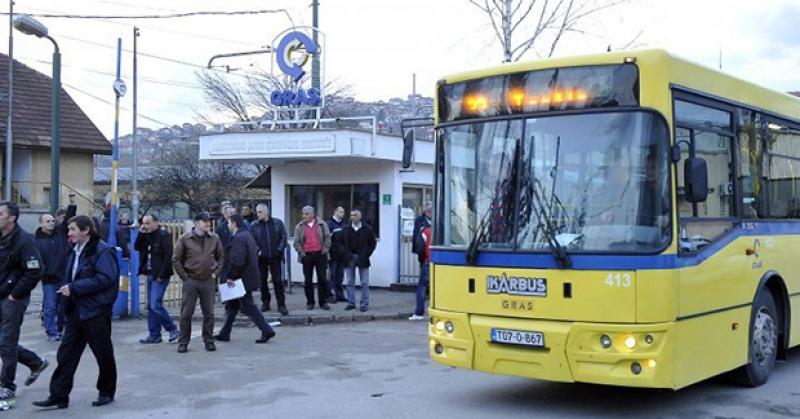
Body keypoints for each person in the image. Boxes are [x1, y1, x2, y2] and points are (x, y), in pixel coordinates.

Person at [34, 215, 119, 409]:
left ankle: (106, 391)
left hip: (95, 311)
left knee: (103, 354)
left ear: (86, 230)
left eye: (72, 229)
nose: (69, 233)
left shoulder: (102, 251)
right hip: (75, 311)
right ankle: (59, 395)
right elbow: (69, 275)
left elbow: (106, 278)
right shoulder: (75, 250)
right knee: (66, 354)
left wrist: (74, 288)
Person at [0, 202, 50, 410]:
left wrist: (15, 294)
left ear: (11, 218)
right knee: (4, 342)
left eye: (0, 213)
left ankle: (7, 388)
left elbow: (35, 271)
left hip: (13, 299)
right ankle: (35, 363)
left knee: (6, 343)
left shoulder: (23, 241)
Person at [214, 214, 276, 344]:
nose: (227, 225)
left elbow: (237, 260)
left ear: (234, 224)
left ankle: (267, 330)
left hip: (240, 280)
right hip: (246, 277)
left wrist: (231, 277)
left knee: (249, 306)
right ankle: (225, 333)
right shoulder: (246, 235)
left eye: (229, 223)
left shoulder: (238, 238)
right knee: (232, 306)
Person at [172, 213, 224, 353]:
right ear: (196, 223)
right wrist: (185, 277)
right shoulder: (184, 239)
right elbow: (176, 259)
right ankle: (183, 342)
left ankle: (209, 341)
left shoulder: (214, 238)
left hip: (208, 280)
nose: (208, 223)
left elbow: (221, 257)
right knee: (186, 313)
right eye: (204, 221)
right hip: (191, 280)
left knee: (209, 313)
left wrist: (216, 274)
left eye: (209, 221)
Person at [134, 214, 179, 344]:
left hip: (159, 275)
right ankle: (154, 334)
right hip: (149, 273)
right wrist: (141, 233)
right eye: (144, 223)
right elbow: (137, 247)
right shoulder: (146, 235)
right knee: (151, 306)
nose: (145, 226)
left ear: (156, 223)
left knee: (155, 304)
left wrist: (162, 275)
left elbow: (168, 256)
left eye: (148, 223)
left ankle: (173, 329)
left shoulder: (164, 235)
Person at [35, 213, 69, 341]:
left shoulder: (59, 234)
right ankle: (51, 332)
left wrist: (72, 204)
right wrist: (43, 274)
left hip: (62, 276)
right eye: (48, 221)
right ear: (41, 224)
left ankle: (60, 329)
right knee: (50, 306)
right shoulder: (37, 240)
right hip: (49, 279)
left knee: (64, 305)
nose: (51, 223)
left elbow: (67, 219)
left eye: (52, 221)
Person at [250, 204, 289, 315]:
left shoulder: (277, 223)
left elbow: (283, 236)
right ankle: (265, 302)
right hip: (261, 258)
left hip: (275, 257)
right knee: (262, 281)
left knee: (277, 281)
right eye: (257, 212)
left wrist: (279, 250)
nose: (259, 214)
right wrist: (258, 250)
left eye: (261, 212)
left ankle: (281, 304)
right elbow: (252, 239)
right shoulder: (254, 225)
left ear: (267, 212)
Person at [293, 206, 331, 311]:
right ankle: (310, 302)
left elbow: (328, 237)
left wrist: (325, 249)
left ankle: (323, 302)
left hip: (320, 254)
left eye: (306, 214)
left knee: (322, 279)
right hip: (307, 256)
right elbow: (296, 242)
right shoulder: (299, 226)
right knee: (308, 280)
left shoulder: (322, 224)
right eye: (303, 214)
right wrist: (302, 253)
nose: (304, 216)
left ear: (312, 214)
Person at [343, 210, 376, 312]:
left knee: (365, 282)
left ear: (360, 217)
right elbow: (341, 243)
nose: (353, 217)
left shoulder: (367, 229)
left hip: (363, 258)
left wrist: (366, 254)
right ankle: (351, 302)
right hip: (350, 257)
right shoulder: (346, 229)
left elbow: (372, 243)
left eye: (355, 215)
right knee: (349, 281)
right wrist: (346, 253)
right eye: (351, 215)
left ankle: (364, 303)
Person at [410, 222, 433, 321]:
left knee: (421, 287)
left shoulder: (424, 232)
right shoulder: (437, 232)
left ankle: (419, 312)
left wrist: (421, 261)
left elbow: (420, 248)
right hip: (438, 262)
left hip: (427, 261)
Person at [326, 207, 348, 304]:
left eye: (343, 212)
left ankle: (339, 295)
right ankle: (329, 295)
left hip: (342, 254)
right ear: (335, 212)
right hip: (333, 253)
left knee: (340, 275)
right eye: (340, 212)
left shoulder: (344, 224)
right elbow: (327, 238)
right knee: (332, 275)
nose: (342, 214)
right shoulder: (329, 223)